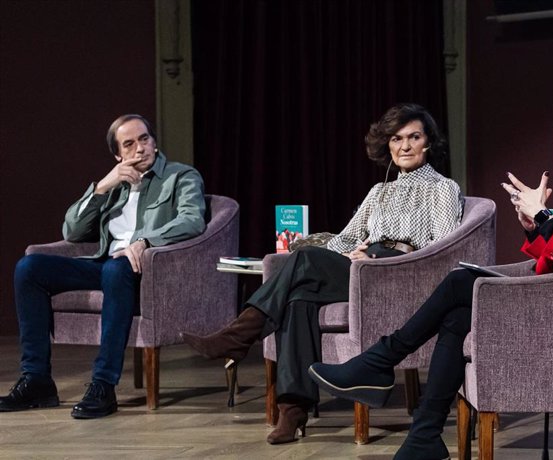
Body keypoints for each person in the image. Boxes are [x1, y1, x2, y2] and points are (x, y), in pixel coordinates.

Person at [308, 89, 553, 459]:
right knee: (457, 313)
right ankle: (424, 437)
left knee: (461, 282)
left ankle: (380, 362)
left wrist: (546, 219)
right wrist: (534, 227)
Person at [181, 103, 465, 444]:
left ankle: (238, 336)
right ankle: (293, 412)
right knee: (299, 299)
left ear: (428, 143)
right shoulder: (379, 191)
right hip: (361, 267)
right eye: (396, 138)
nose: (404, 146)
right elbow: (346, 235)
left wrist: (396, 254)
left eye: (414, 137)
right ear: (387, 145)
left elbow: (444, 247)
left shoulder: (442, 188)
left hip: (397, 274)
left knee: (300, 263)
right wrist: (344, 254)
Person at [0, 115, 206, 419]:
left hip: (145, 271)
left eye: (145, 139)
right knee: (29, 268)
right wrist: (102, 187)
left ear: (154, 141)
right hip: (104, 266)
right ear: (118, 155)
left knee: (116, 267)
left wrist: (145, 242)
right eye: (129, 144)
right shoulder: (115, 186)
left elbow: (192, 220)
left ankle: (103, 385)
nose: (140, 148)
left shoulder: (181, 176)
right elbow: (71, 232)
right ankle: (37, 380)